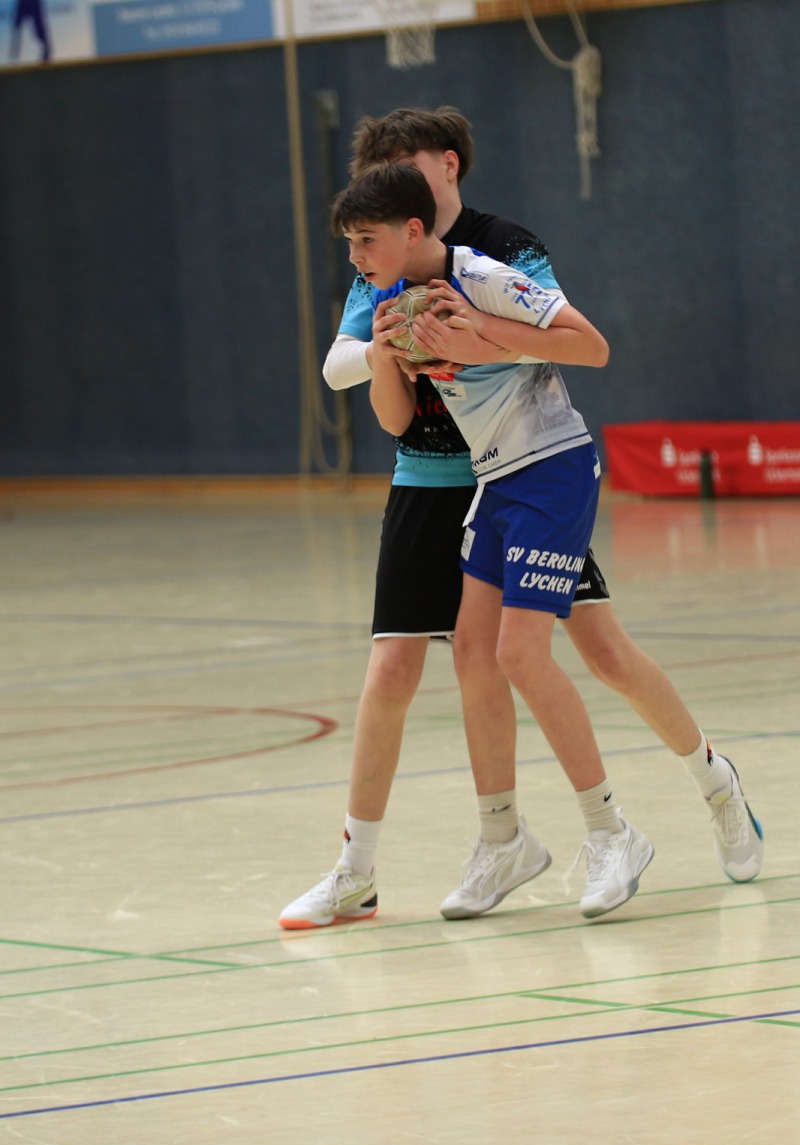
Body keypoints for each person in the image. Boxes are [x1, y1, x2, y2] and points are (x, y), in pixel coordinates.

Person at [278, 108, 763, 931]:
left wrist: (480, 339)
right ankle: (470, 845)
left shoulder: (494, 256)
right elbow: (374, 400)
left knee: (591, 652)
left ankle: (701, 789)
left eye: (403, 168)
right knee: (453, 658)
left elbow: (581, 343)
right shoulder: (384, 274)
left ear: (443, 172)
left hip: (541, 468)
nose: (358, 249)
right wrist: (390, 350)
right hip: (462, 482)